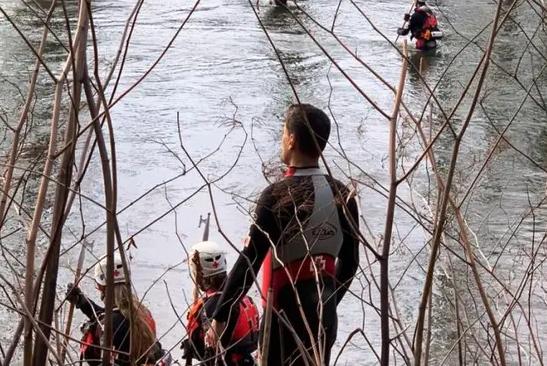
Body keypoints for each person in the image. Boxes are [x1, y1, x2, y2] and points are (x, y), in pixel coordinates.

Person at [208, 103, 360, 365]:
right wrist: (329, 302)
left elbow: (249, 262)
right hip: (324, 317)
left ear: (291, 140)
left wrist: (222, 315)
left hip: (282, 319)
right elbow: (351, 263)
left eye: (282, 135)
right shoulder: (342, 194)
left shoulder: (277, 196)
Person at [65, 255, 171, 366]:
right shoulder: (144, 314)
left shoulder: (106, 326)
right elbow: (115, 317)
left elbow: (95, 358)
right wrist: (83, 303)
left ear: (101, 287)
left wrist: (92, 331)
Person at [181, 241, 260, 366]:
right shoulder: (241, 296)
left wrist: (191, 347)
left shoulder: (213, 307)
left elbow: (211, 355)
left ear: (197, 273)